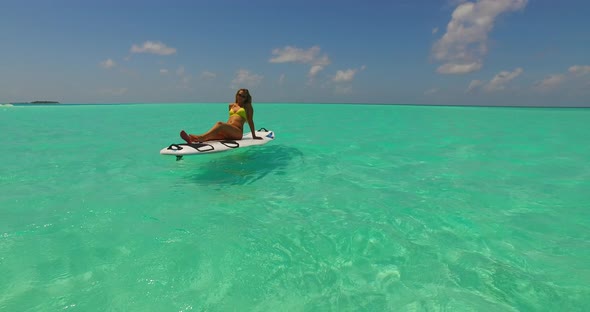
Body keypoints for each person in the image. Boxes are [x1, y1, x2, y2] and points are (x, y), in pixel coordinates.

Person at [180, 89, 262, 143]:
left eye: (243, 96)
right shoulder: (231, 105)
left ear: (246, 98)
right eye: (240, 95)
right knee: (211, 137)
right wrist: (224, 130)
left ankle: (201, 137)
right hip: (229, 131)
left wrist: (254, 136)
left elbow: (250, 121)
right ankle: (192, 140)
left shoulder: (247, 106)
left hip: (237, 132)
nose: (241, 97)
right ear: (237, 95)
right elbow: (230, 119)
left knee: (219, 124)